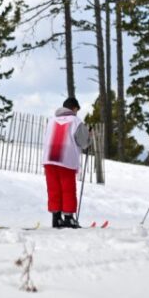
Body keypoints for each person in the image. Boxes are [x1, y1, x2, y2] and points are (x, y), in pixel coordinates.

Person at [42, 97, 92, 229]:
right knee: (67, 189)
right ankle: (68, 218)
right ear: (74, 108)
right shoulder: (76, 121)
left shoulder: (51, 121)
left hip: (49, 158)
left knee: (54, 189)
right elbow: (84, 143)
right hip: (66, 159)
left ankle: (56, 218)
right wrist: (89, 136)